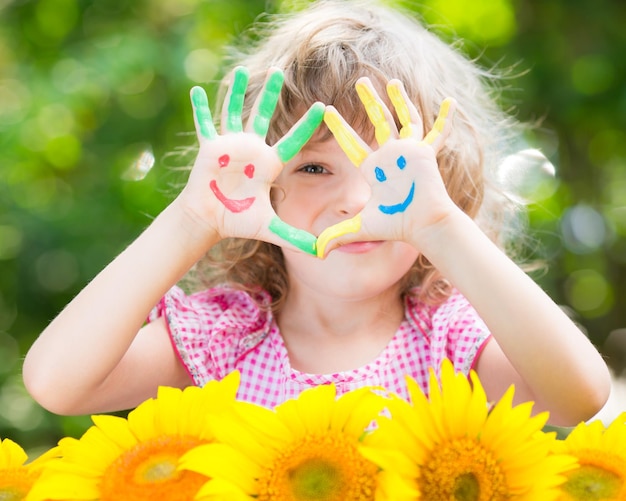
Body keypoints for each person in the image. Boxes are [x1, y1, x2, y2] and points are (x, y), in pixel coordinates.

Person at [22, 0, 610, 426]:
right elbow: (57, 384)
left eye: (389, 172)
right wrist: (194, 218)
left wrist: (439, 226)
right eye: (313, 168)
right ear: (264, 191)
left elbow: (580, 397)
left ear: (444, 184)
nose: (355, 201)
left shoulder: (447, 338)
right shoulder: (226, 341)